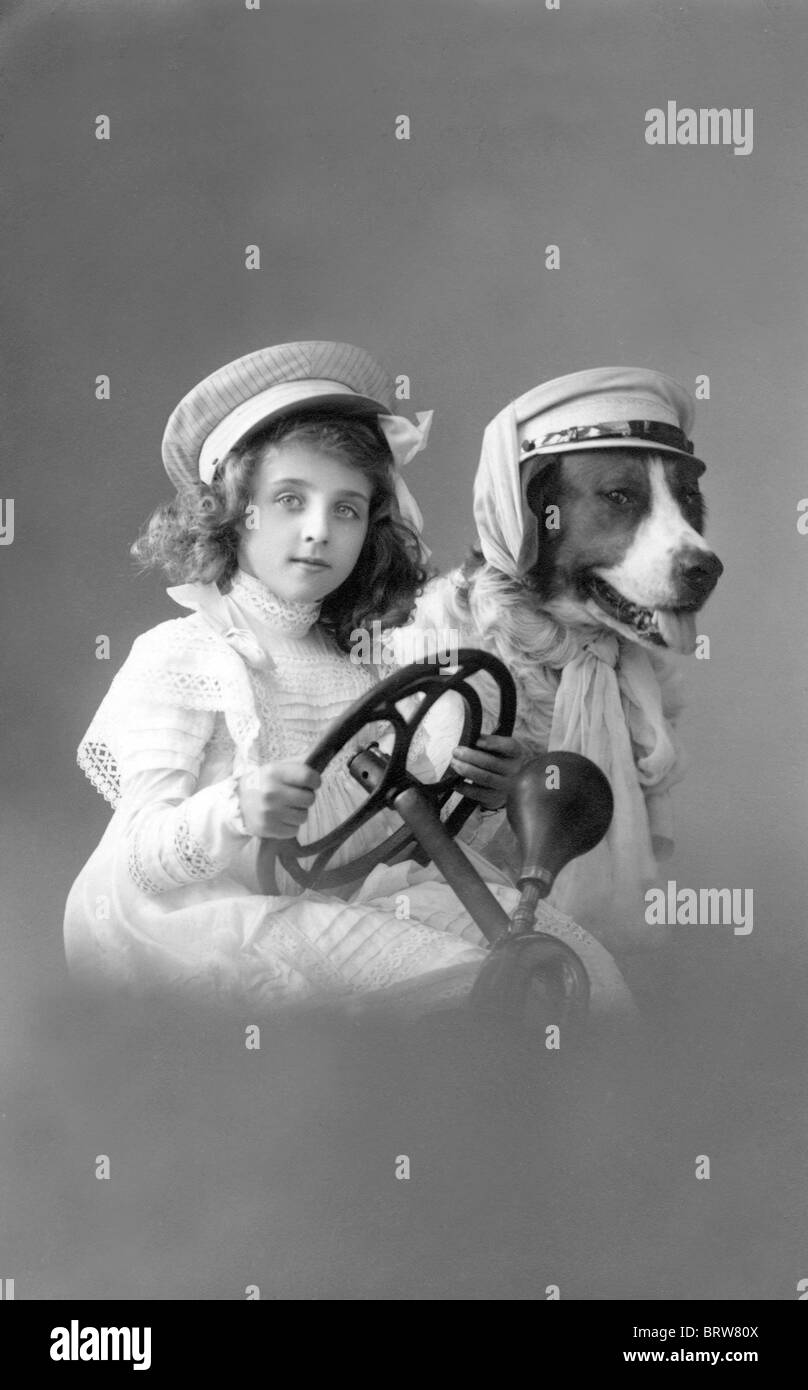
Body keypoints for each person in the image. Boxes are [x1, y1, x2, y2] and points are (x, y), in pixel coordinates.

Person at [64, 341, 633, 1017]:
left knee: (582, 966)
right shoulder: (186, 654)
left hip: (352, 889)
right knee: (474, 981)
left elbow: (407, 832)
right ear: (231, 512)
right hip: (211, 915)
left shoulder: (364, 658)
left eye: (346, 509)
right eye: (289, 500)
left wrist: (487, 790)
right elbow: (142, 857)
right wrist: (237, 808)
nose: (318, 531)